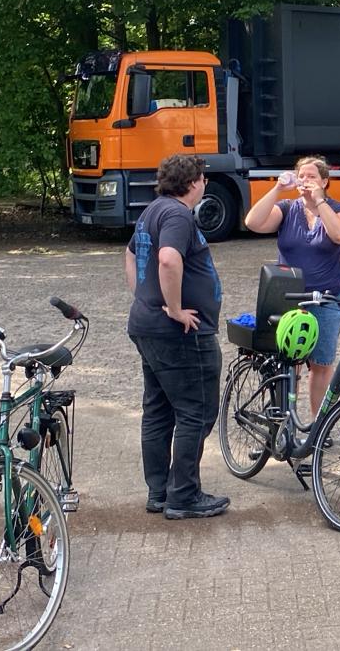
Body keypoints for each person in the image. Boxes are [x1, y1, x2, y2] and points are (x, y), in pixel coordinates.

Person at [124, 154, 228, 520]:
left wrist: (144, 296)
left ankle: (159, 492)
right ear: (194, 182)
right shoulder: (178, 215)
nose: (204, 185)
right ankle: (183, 495)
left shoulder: (152, 210)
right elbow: (168, 259)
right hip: (179, 333)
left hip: (147, 326)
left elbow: (130, 254)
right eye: (203, 179)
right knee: (196, 411)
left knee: (158, 409)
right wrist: (173, 307)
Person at [243, 155, 340, 419]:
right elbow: (253, 223)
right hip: (289, 297)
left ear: (325, 181)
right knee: (289, 363)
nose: (305, 180)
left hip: (326, 298)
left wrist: (320, 202)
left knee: (321, 364)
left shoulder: (339, 208)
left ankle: (318, 426)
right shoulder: (287, 208)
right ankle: (286, 423)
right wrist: (277, 188)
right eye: (301, 176)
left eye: (312, 176)